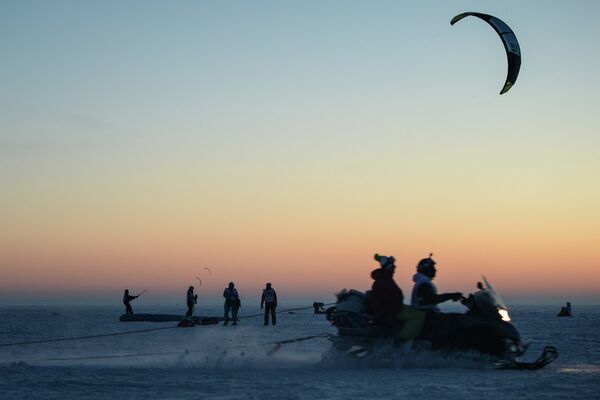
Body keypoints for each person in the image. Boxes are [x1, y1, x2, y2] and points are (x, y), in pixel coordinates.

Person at [366, 254, 426, 341]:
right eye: (393, 265)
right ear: (388, 267)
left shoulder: (385, 279)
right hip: (394, 311)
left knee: (416, 311)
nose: (395, 267)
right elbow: (389, 300)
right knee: (420, 316)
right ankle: (403, 339)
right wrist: (387, 315)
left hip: (395, 309)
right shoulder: (384, 281)